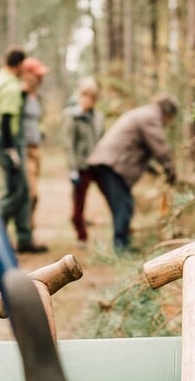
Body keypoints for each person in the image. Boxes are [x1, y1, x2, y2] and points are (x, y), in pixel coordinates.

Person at [82, 94, 177, 253]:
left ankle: (122, 243)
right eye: (170, 118)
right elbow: (159, 147)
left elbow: (138, 147)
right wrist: (171, 170)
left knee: (123, 205)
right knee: (124, 206)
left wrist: (155, 170)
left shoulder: (145, 113)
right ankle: (121, 248)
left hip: (110, 161)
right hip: (113, 163)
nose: (168, 123)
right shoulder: (151, 117)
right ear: (167, 113)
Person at [0, 48, 45, 252]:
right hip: (9, 141)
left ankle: (24, 239)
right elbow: (5, 119)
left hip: (1, 140)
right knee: (15, 191)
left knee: (22, 190)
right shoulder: (10, 86)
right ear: (20, 65)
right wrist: (11, 149)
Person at [66, 78, 103, 243]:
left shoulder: (98, 117)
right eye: (84, 95)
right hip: (81, 165)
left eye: (91, 97)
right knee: (79, 202)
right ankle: (81, 234)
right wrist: (73, 168)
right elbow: (69, 144)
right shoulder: (72, 117)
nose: (87, 100)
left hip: (98, 164)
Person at [19, 56, 49, 245]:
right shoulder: (19, 94)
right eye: (37, 75)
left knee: (34, 194)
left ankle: (29, 230)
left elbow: (39, 120)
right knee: (31, 193)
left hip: (36, 149)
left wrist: (42, 132)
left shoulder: (37, 97)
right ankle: (25, 233)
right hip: (24, 149)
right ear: (28, 75)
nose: (41, 78)